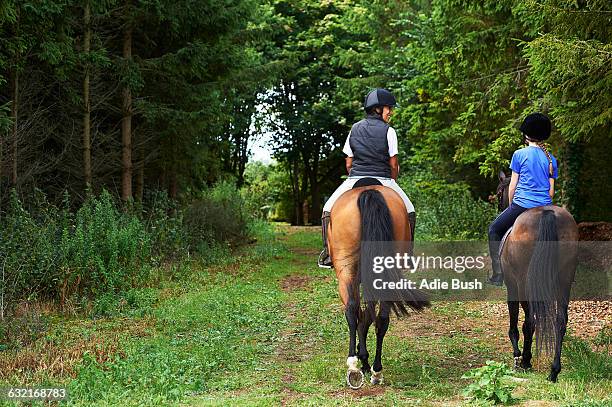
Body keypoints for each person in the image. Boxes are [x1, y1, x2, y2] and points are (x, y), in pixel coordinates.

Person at [318, 88, 416, 268]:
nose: (391, 112)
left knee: (327, 209)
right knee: (409, 210)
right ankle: (407, 255)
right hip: (385, 179)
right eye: (389, 108)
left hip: (355, 178)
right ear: (378, 109)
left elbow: (349, 163)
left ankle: (328, 253)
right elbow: (393, 164)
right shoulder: (389, 131)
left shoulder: (354, 129)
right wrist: (392, 181)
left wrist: (355, 177)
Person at [488, 112, 558, 285]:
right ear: (544, 136)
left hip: (522, 204)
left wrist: (512, 206)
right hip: (545, 208)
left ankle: (498, 274)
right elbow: (550, 193)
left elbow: (512, 186)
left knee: (494, 230)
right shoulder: (552, 160)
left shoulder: (519, 154)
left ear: (526, 134)